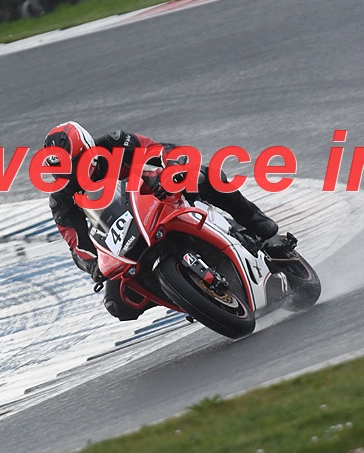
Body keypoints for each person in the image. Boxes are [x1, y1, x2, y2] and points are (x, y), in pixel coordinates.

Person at [43, 121, 279, 321]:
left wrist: (171, 168)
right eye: (63, 172)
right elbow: (77, 245)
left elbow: (157, 149)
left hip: (157, 196)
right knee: (118, 303)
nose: (72, 175)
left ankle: (257, 222)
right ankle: (187, 295)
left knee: (204, 176)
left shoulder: (114, 143)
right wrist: (93, 266)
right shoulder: (61, 200)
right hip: (125, 238)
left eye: (75, 164)